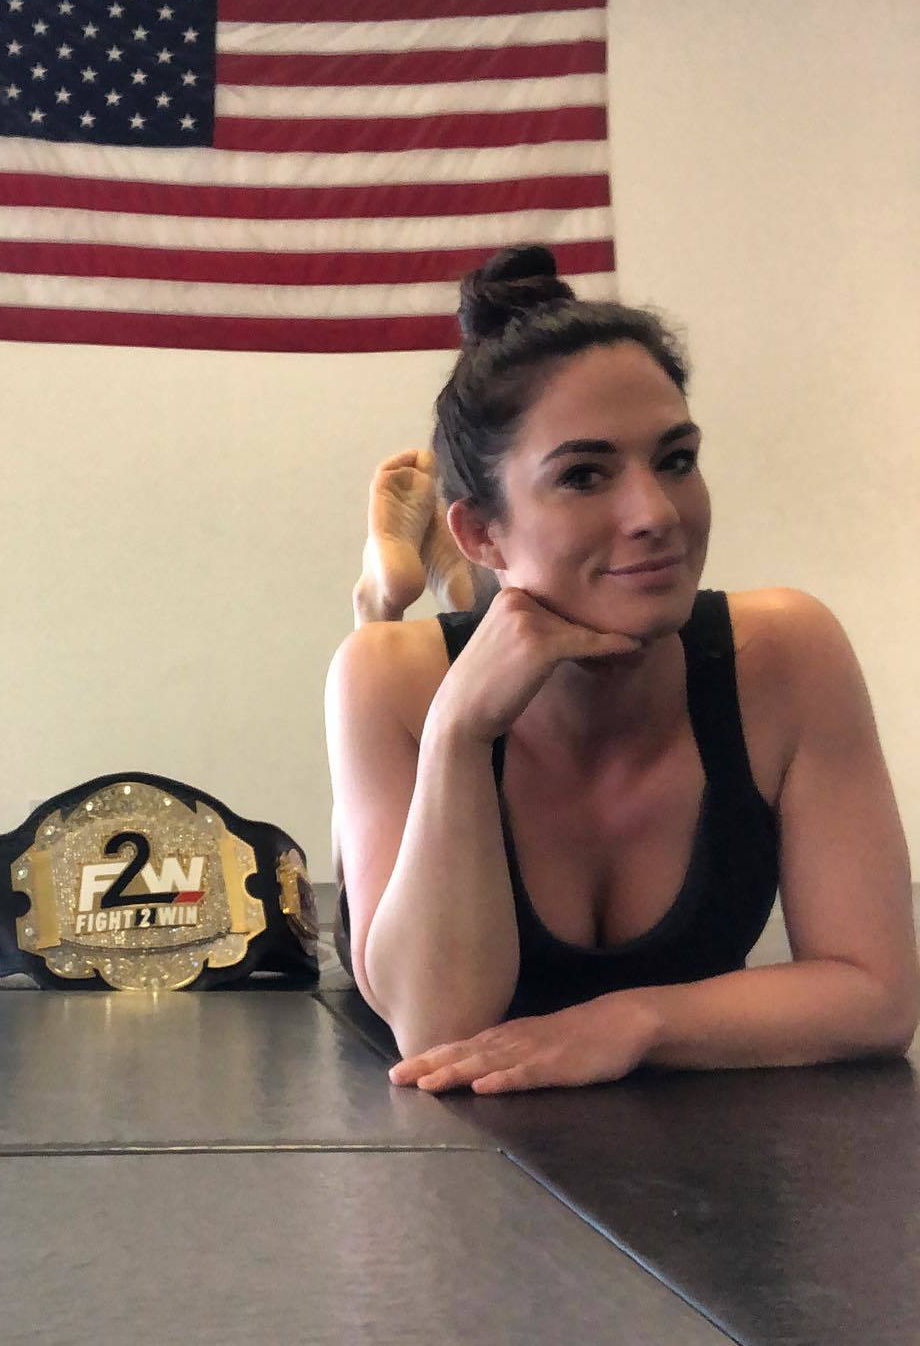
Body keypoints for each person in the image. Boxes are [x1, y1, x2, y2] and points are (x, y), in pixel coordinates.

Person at [325, 244, 919, 1096]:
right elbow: (439, 1030)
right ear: (484, 529)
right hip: (456, 1151)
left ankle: (462, 588)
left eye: (676, 459)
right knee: (377, 664)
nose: (657, 513)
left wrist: (632, 1021)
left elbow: (877, 996)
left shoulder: (789, 652)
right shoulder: (385, 682)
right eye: (584, 475)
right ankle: (385, 595)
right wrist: (458, 729)